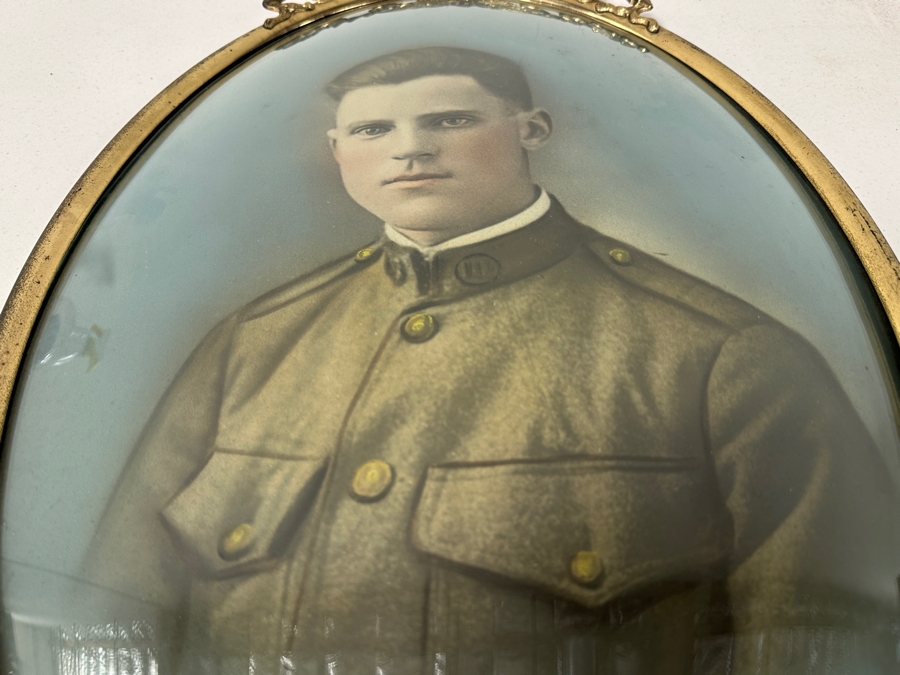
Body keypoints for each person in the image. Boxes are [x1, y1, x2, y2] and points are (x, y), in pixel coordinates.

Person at [84, 47, 898, 673]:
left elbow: (826, 642)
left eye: (449, 120)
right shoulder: (252, 344)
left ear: (531, 130)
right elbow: (113, 620)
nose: (410, 150)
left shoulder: (718, 353)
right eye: (373, 131)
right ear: (337, 151)